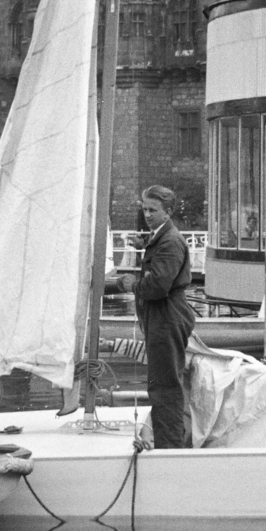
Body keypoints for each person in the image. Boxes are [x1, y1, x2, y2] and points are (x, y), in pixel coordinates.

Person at [117, 185, 197, 449]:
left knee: (165, 387)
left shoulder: (171, 241)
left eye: (153, 210)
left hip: (167, 315)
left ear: (168, 212)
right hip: (162, 316)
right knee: (163, 384)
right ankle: (168, 443)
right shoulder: (161, 237)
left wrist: (133, 285)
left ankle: (169, 448)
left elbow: (159, 285)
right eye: (144, 208)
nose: (147, 214)